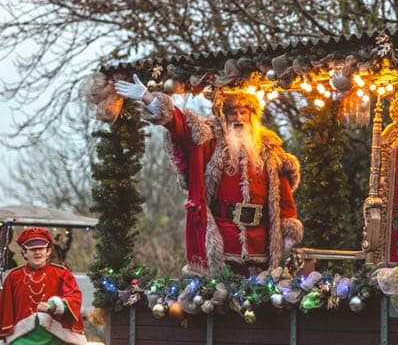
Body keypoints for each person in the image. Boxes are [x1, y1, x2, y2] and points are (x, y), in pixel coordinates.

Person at [115, 75, 303, 276]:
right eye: (232, 114)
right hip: (223, 238)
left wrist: (288, 231)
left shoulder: (270, 151)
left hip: (260, 243)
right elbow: (181, 127)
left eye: (243, 113)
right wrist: (149, 99)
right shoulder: (210, 139)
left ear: (252, 116)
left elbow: (282, 196)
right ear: (223, 116)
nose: (238, 119)